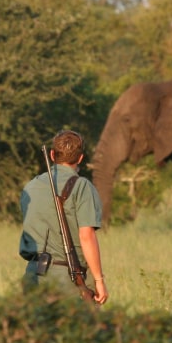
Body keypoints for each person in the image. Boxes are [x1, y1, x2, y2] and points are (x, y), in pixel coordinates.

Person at [19, 130, 108, 305]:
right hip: (68, 277)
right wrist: (99, 280)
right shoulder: (82, 186)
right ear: (81, 158)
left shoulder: (30, 186)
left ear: (52, 154)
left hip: (33, 274)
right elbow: (86, 236)